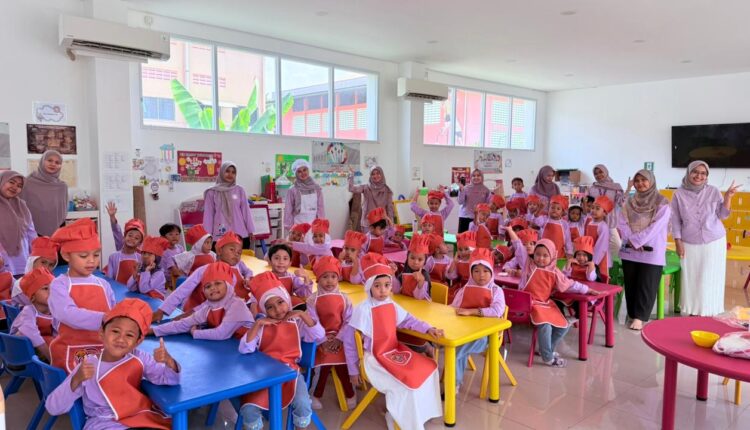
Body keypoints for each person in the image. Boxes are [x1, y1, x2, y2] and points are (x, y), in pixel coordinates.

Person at [343, 253, 444, 430]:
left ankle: (419, 414)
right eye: (377, 286)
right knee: (406, 383)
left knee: (429, 368)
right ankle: (398, 417)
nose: (383, 290)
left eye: (387, 285)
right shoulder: (362, 310)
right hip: (373, 359)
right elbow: (350, 342)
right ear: (369, 287)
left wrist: (428, 328)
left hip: (393, 350)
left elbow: (409, 320)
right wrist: (353, 370)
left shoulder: (391, 304)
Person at [46, 299, 179, 429]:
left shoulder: (140, 358)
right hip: (104, 423)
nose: (120, 339)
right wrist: (76, 379)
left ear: (138, 342)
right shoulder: (88, 366)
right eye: (115, 331)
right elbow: (53, 407)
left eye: (129, 335)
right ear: (102, 333)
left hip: (139, 417)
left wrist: (169, 361)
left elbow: (168, 379)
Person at [239, 272, 324, 430]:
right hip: (264, 374)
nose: (278, 310)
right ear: (264, 310)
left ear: (287, 300)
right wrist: (258, 324)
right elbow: (245, 349)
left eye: (280, 302)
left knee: (302, 404)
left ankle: (300, 427)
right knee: (249, 409)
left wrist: (302, 315)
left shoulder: (297, 322)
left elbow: (319, 335)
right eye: (270, 307)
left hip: (291, 373)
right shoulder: (262, 326)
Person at [506, 227, 599, 367]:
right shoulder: (528, 264)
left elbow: (570, 284)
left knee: (563, 324)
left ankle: (545, 350)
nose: (541, 258)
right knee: (545, 326)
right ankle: (548, 357)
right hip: (528, 304)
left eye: (545, 255)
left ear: (552, 257)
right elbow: (518, 246)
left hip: (544, 304)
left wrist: (587, 289)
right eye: (538, 254)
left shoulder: (555, 272)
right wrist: (510, 231)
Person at [671, 161, 740, 316]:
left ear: (707, 176)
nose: (699, 176)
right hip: (689, 242)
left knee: (711, 276)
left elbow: (722, 215)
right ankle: (693, 310)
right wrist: (677, 242)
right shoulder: (678, 194)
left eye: (703, 173)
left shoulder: (713, 191)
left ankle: (710, 310)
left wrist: (728, 197)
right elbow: (675, 221)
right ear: (688, 173)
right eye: (695, 172)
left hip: (714, 241)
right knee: (692, 277)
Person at [48, 218, 116, 373]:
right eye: (84, 256)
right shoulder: (60, 284)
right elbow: (66, 313)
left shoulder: (103, 284)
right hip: (71, 350)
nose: (91, 261)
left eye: (96, 255)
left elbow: (114, 312)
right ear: (66, 256)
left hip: (103, 349)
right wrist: (104, 318)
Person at [154, 231, 252, 319]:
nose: (236, 254)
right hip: (203, 313)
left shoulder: (238, 269)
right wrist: (162, 311)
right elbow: (183, 290)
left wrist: (248, 280)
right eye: (232, 249)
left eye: (239, 252)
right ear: (219, 251)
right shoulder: (205, 269)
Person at [618, 169, 671, 330]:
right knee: (631, 283)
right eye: (637, 180)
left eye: (644, 180)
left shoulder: (662, 201)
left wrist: (638, 240)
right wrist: (632, 240)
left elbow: (657, 225)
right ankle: (632, 313)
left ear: (651, 181)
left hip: (651, 248)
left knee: (647, 283)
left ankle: (640, 317)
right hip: (630, 249)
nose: (640, 184)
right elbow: (622, 222)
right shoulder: (629, 201)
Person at [151, 261, 253, 340]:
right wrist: (152, 330)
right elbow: (183, 324)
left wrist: (195, 333)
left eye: (218, 283)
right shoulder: (208, 309)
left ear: (228, 286)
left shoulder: (237, 305)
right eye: (208, 286)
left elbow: (221, 334)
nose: (212, 288)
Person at [306, 256, 357, 410]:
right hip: (321, 340)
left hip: (342, 338)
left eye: (333, 277)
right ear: (317, 279)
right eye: (325, 277)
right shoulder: (312, 300)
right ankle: (315, 395)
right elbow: (313, 322)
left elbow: (349, 321)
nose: (329, 281)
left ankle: (350, 393)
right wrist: (323, 341)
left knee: (343, 365)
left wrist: (340, 338)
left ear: (338, 278)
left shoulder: (345, 298)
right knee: (323, 366)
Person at [451, 248, 506, 389]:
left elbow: (497, 310)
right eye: (476, 271)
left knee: (457, 350)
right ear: (471, 272)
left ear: (491, 272)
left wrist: (472, 312)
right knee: (454, 346)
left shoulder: (496, 290)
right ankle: (453, 381)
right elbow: (453, 308)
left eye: (485, 271)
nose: (481, 275)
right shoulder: (465, 288)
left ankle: (454, 384)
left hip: (487, 335)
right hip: (465, 331)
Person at [203, 161, 255, 248]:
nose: (230, 174)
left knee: (241, 256)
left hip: (240, 233)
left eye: (233, 172)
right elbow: (208, 215)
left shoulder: (239, 190)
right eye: (227, 171)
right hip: (220, 234)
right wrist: (207, 235)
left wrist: (250, 230)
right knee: (221, 256)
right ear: (222, 172)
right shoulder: (212, 192)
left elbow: (246, 212)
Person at [11, 267, 56, 362]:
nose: (51, 291)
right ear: (32, 297)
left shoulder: (55, 311)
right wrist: (53, 360)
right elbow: (32, 335)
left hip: (39, 348)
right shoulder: (28, 311)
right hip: (19, 353)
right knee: (23, 333)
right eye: (45, 288)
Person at [20, 150, 68, 236]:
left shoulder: (62, 186)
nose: (53, 164)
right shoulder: (27, 183)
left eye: (57, 162)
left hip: (57, 230)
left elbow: (63, 210)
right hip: (31, 229)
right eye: (49, 160)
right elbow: (20, 206)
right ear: (42, 161)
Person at [254, 242, 312, 312]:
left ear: (290, 263)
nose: (281, 262)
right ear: (270, 261)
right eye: (277, 258)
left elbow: (303, 294)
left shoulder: (292, 277)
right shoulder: (264, 278)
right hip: (271, 310)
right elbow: (255, 299)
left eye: (285, 258)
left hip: (288, 307)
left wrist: (306, 278)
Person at [0, 170, 37, 275]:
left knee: (21, 283)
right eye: (11, 182)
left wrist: (36, 253)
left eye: (19, 186)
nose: (15, 187)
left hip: (22, 257)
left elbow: (31, 232)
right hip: (2, 259)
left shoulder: (22, 205)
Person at [10, 236, 59, 306]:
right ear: (32, 261)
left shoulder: (52, 282)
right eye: (43, 262)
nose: (46, 268)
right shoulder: (21, 285)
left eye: (51, 265)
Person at [588, 164, 625, 256]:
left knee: (616, 245)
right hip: (595, 221)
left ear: (606, 172)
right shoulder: (592, 188)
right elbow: (589, 204)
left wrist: (628, 189)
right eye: (596, 173)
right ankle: (597, 263)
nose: (598, 175)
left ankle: (609, 262)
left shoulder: (615, 187)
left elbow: (621, 202)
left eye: (601, 172)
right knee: (596, 244)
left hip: (610, 220)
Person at [348, 166, 394, 231]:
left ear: (382, 174)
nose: (375, 176)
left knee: (381, 238)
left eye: (378, 173)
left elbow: (390, 208)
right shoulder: (366, 187)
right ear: (370, 176)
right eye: (373, 174)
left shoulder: (387, 190)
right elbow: (351, 188)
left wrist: (391, 223)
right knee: (368, 238)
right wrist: (351, 175)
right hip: (368, 223)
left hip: (381, 224)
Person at [284, 159, 325, 231]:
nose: (303, 173)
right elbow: (288, 209)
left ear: (308, 170)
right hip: (297, 224)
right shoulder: (292, 190)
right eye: (299, 171)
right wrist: (289, 227)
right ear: (295, 173)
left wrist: (320, 224)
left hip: (313, 224)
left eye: (304, 170)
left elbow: (320, 207)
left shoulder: (316, 188)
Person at [127, 236, 170, 300]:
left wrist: (147, 271)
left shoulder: (159, 273)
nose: (145, 256)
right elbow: (130, 287)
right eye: (144, 253)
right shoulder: (141, 268)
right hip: (144, 298)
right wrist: (135, 272)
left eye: (150, 254)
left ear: (156, 258)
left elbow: (143, 289)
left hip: (156, 301)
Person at [106, 215, 144, 284]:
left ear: (140, 243)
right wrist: (112, 217)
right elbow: (109, 280)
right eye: (130, 235)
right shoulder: (113, 257)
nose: (132, 239)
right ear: (124, 237)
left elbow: (141, 281)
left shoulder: (141, 258)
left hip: (134, 290)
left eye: (136, 238)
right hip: (117, 289)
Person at [534, 195, 573, 259]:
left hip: (559, 254)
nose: (554, 210)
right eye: (552, 207)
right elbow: (536, 219)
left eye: (558, 209)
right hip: (543, 253)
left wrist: (569, 252)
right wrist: (539, 209)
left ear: (562, 212)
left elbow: (568, 240)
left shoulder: (564, 224)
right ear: (548, 209)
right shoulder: (545, 219)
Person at [586, 196, 613, 280]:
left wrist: (594, 262)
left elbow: (601, 247)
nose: (593, 210)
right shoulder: (590, 223)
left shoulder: (603, 227)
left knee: (600, 279)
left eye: (597, 208)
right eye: (592, 208)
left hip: (600, 259)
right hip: (589, 257)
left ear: (605, 213)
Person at [457, 169, 491, 233]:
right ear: (471, 177)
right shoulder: (465, 188)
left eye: (478, 175)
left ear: (482, 177)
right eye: (474, 176)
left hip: (478, 219)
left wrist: (485, 217)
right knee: (462, 237)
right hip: (464, 217)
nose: (476, 177)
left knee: (476, 237)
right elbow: (460, 202)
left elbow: (487, 206)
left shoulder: (486, 190)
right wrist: (461, 191)